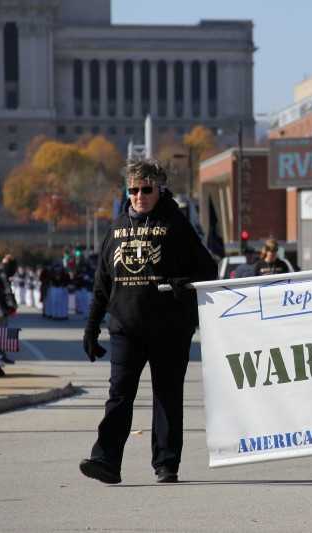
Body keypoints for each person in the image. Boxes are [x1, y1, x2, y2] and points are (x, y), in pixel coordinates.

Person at [79, 158, 217, 485]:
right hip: (125, 328)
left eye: (146, 189)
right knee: (118, 395)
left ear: (159, 189)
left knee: (166, 396)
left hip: (170, 328)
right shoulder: (116, 227)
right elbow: (102, 283)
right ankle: (106, 460)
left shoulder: (176, 224)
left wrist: (184, 283)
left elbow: (207, 269)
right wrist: (91, 327)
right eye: (133, 190)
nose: (139, 196)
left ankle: (166, 463)